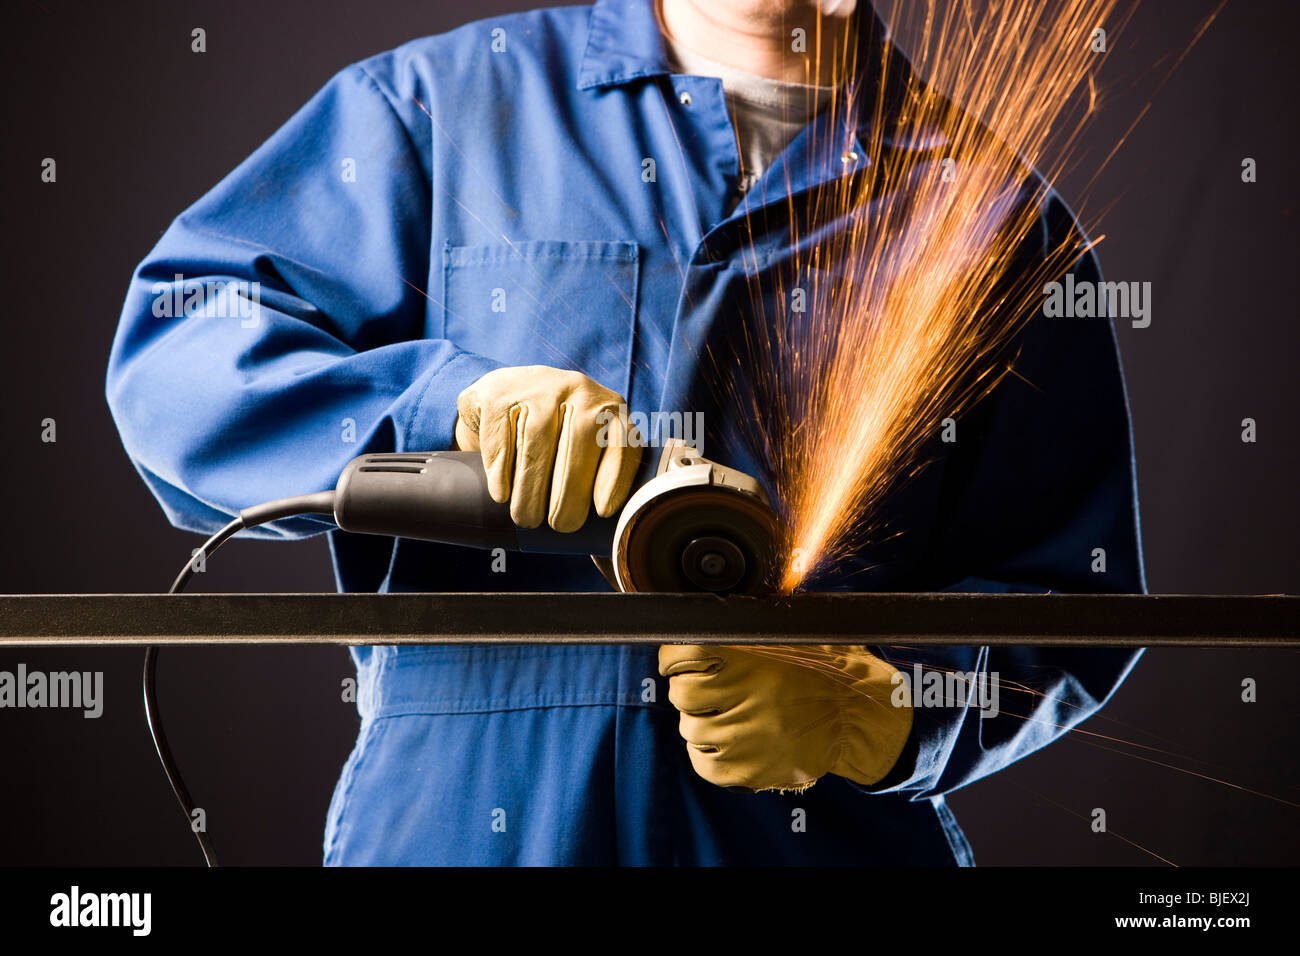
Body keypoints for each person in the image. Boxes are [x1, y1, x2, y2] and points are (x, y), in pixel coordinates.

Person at [106, 0, 1145, 865]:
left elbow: (1067, 598)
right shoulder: (447, 107)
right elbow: (178, 347)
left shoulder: (994, 217)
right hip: (461, 828)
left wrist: (875, 712)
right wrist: (451, 408)